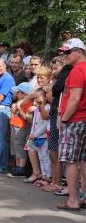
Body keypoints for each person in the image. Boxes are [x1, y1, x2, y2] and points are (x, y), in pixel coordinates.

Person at [57, 38, 86, 211]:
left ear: (79, 52)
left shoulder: (77, 71)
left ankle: (73, 200)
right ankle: (82, 197)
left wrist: (65, 118)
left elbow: (74, 99)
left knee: (70, 161)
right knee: (84, 160)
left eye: (68, 52)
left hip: (75, 120)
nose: (65, 55)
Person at [42, 56, 72, 193]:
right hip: (54, 114)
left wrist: (49, 90)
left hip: (58, 114)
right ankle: (55, 180)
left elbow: (51, 95)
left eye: (56, 68)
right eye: (52, 69)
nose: (54, 71)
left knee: (56, 151)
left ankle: (58, 182)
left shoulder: (64, 79)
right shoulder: (57, 80)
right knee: (52, 151)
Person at [25, 88, 51, 187]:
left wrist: (35, 134)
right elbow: (34, 124)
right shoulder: (37, 109)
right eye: (35, 97)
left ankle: (48, 177)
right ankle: (43, 176)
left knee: (45, 158)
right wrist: (32, 134)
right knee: (41, 158)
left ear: (45, 97)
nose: (36, 99)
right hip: (36, 137)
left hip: (43, 137)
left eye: (38, 97)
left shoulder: (47, 107)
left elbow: (45, 124)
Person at [8, 82, 35, 177]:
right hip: (14, 125)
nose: (16, 93)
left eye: (18, 92)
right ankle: (17, 166)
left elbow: (26, 118)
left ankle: (21, 168)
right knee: (15, 147)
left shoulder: (28, 103)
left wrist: (19, 107)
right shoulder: (17, 102)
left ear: (25, 94)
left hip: (22, 127)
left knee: (20, 147)